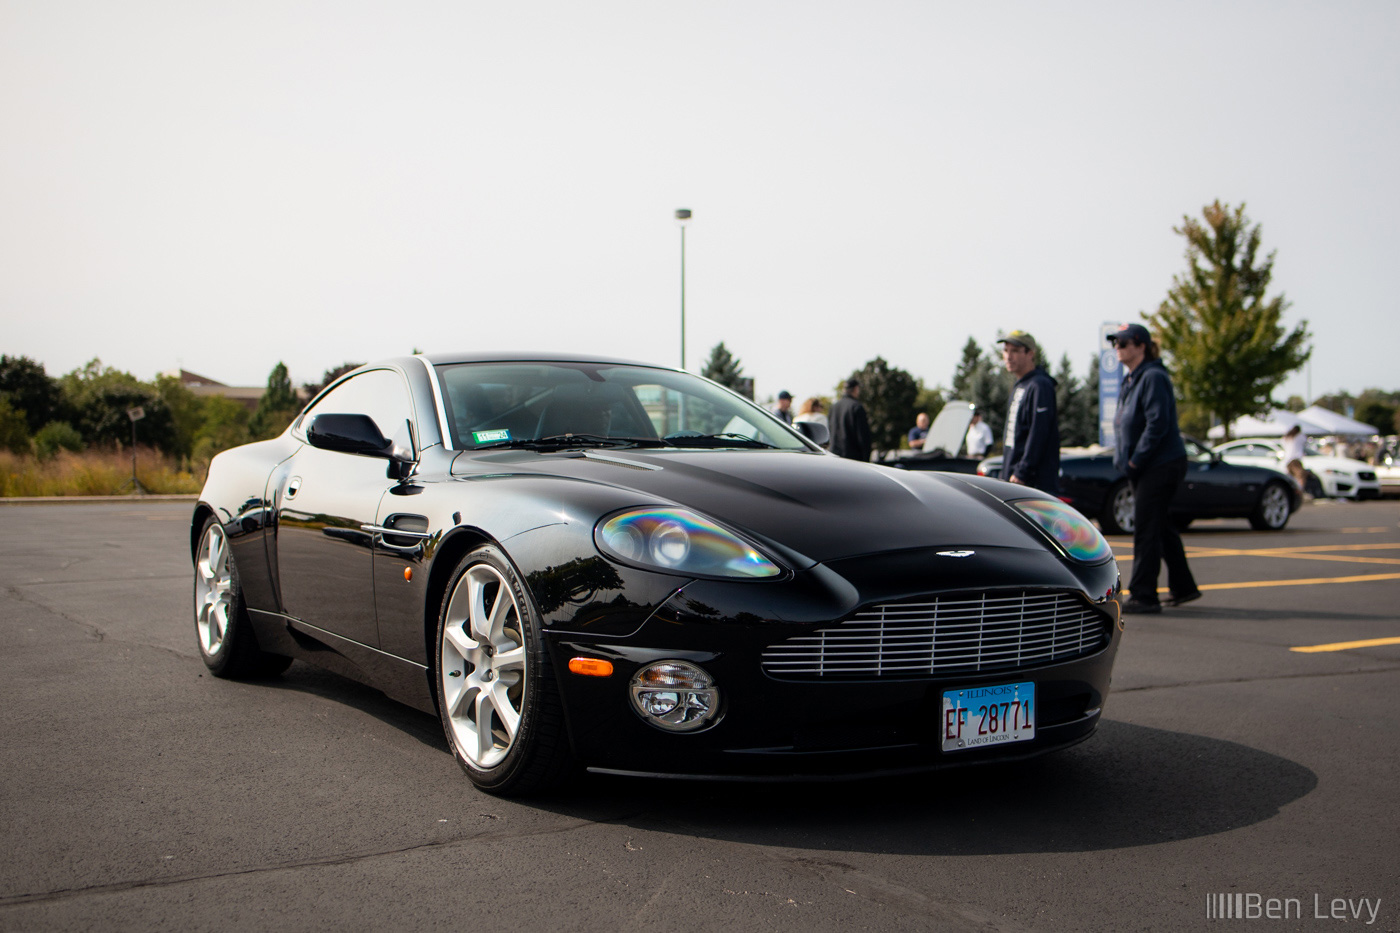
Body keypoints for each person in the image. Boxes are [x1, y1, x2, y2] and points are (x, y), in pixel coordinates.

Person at [1108, 321, 1199, 615]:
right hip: (1145, 465)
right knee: (1159, 525)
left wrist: (1136, 460)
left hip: (1159, 464)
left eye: (1123, 343)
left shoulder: (1153, 377)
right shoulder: (1132, 378)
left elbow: (1157, 424)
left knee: (1146, 527)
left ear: (1141, 346)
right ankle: (1184, 587)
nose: (1117, 348)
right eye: (1115, 343)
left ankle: (1145, 595)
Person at [997, 330, 1059, 494]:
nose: (1008, 356)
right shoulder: (1021, 384)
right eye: (1006, 350)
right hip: (1014, 478)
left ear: (1030, 353)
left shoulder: (1040, 385)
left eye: (1015, 351)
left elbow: (1039, 432)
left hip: (1032, 482)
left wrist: (1022, 471)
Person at [828, 378, 871, 461]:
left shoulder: (833, 407)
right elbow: (863, 436)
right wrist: (866, 457)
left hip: (834, 455)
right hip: (853, 457)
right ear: (856, 389)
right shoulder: (856, 407)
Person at [1281, 424, 1310, 498]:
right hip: (1295, 460)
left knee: (1290, 477)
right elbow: (1305, 442)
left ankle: (1289, 493)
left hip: (1287, 460)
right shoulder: (1300, 436)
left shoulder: (1286, 436)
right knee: (1301, 476)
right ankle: (1299, 492)